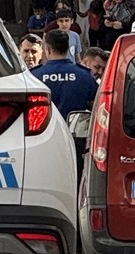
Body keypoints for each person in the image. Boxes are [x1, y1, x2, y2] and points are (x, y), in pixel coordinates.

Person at [32, 30, 98, 178]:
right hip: (76, 141)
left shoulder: (34, 76)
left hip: (43, 139)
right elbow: (97, 106)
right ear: (68, 48)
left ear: (47, 50)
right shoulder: (84, 76)